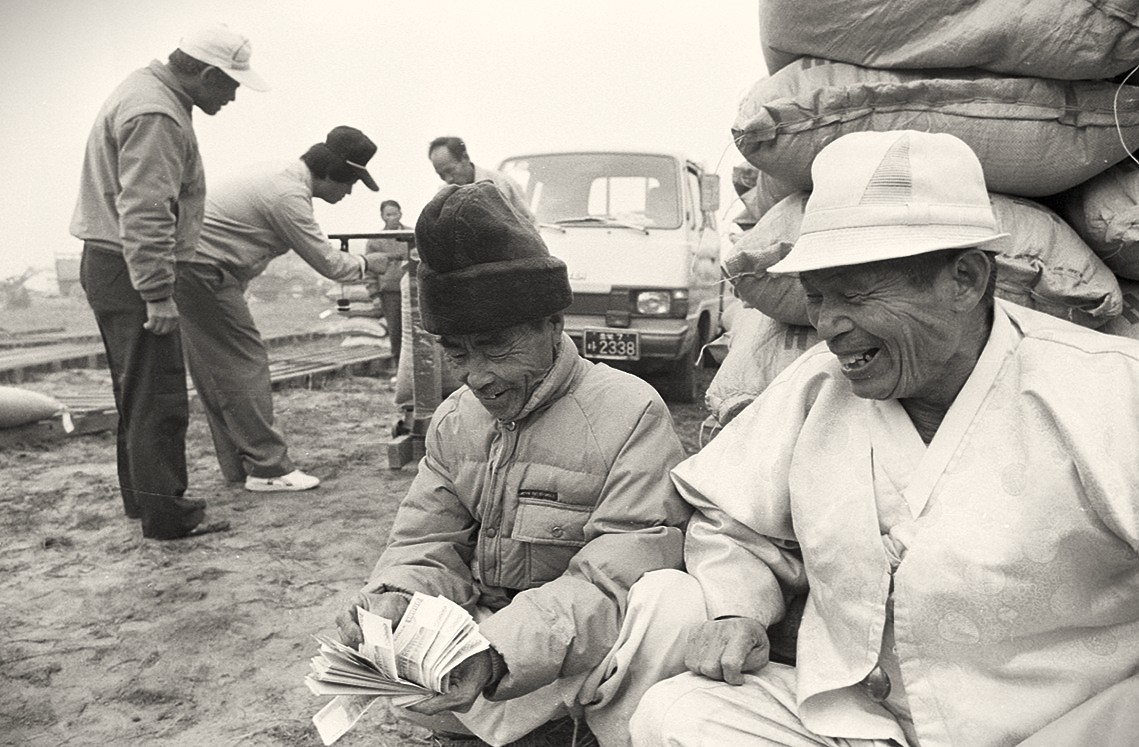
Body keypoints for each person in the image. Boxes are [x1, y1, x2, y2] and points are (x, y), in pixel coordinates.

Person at [630, 130, 1139, 747]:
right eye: (817, 298)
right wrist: (741, 608)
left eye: (857, 294)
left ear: (965, 279)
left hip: (1065, 730)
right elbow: (731, 521)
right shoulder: (817, 388)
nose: (829, 325)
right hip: (866, 726)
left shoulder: (1110, 391)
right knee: (678, 713)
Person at [334, 181, 698, 747]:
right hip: (486, 650)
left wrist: (497, 653)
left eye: (495, 346)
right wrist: (397, 595)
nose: (477, 377)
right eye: (457, 353)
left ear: (552, 325)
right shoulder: (455, 419)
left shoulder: (631, 414)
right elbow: (427, 541)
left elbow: (614, 582)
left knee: (668, 606)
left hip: (573, 654)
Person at [69, 22, 268, 540]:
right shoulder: (156, 112)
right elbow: (146, 209)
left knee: (137, 391)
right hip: (132, 270)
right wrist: (157, 293)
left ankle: (146, 503)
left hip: (113, 263)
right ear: (207, 74)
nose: (232, 97)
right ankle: (167, 518)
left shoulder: (144, 91)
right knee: (158, 395)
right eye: (231, 84)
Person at [176, 126, 390, 492]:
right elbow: (328, 262)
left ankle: (242, 466)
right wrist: (368, 263)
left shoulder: (282, 178)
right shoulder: (288, 195)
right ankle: (268, 469)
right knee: (244, 364)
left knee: (217, 374)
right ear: (333, 172)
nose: (350, 192)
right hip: (204, 272)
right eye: (350, 182)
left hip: (193, 269)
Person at [428, 136, 535, 222]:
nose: (448, 179)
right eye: (441, 174)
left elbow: (529, 224)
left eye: (450, 170)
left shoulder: (502, 184)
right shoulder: (442, 197)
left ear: (465, 157)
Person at [364, 199, 409, 363]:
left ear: (400, 214)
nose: (392, 218)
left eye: (395, 214)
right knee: (396, 331)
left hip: (412, 290)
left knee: (416, 330)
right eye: (388, 215)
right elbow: (369, 269)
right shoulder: (376, 240)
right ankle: (398, 366)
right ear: (382, 217)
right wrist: (374, 294)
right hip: (390, 293)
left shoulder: (412, 235)